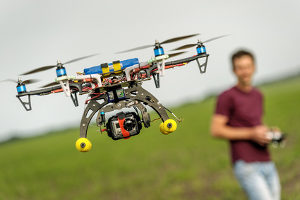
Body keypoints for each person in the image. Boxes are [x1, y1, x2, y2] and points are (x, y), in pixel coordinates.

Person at [210, 49, 281, 200]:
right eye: (240, 68)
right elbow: (216, 130)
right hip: (246, 165)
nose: (245, 71)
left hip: (267, 161)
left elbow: (255, 124)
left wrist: (270, 132)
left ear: (254, 67)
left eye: (248, 66)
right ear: (234, 71)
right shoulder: (226, 97)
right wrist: (251, 134)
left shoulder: (258, 95)